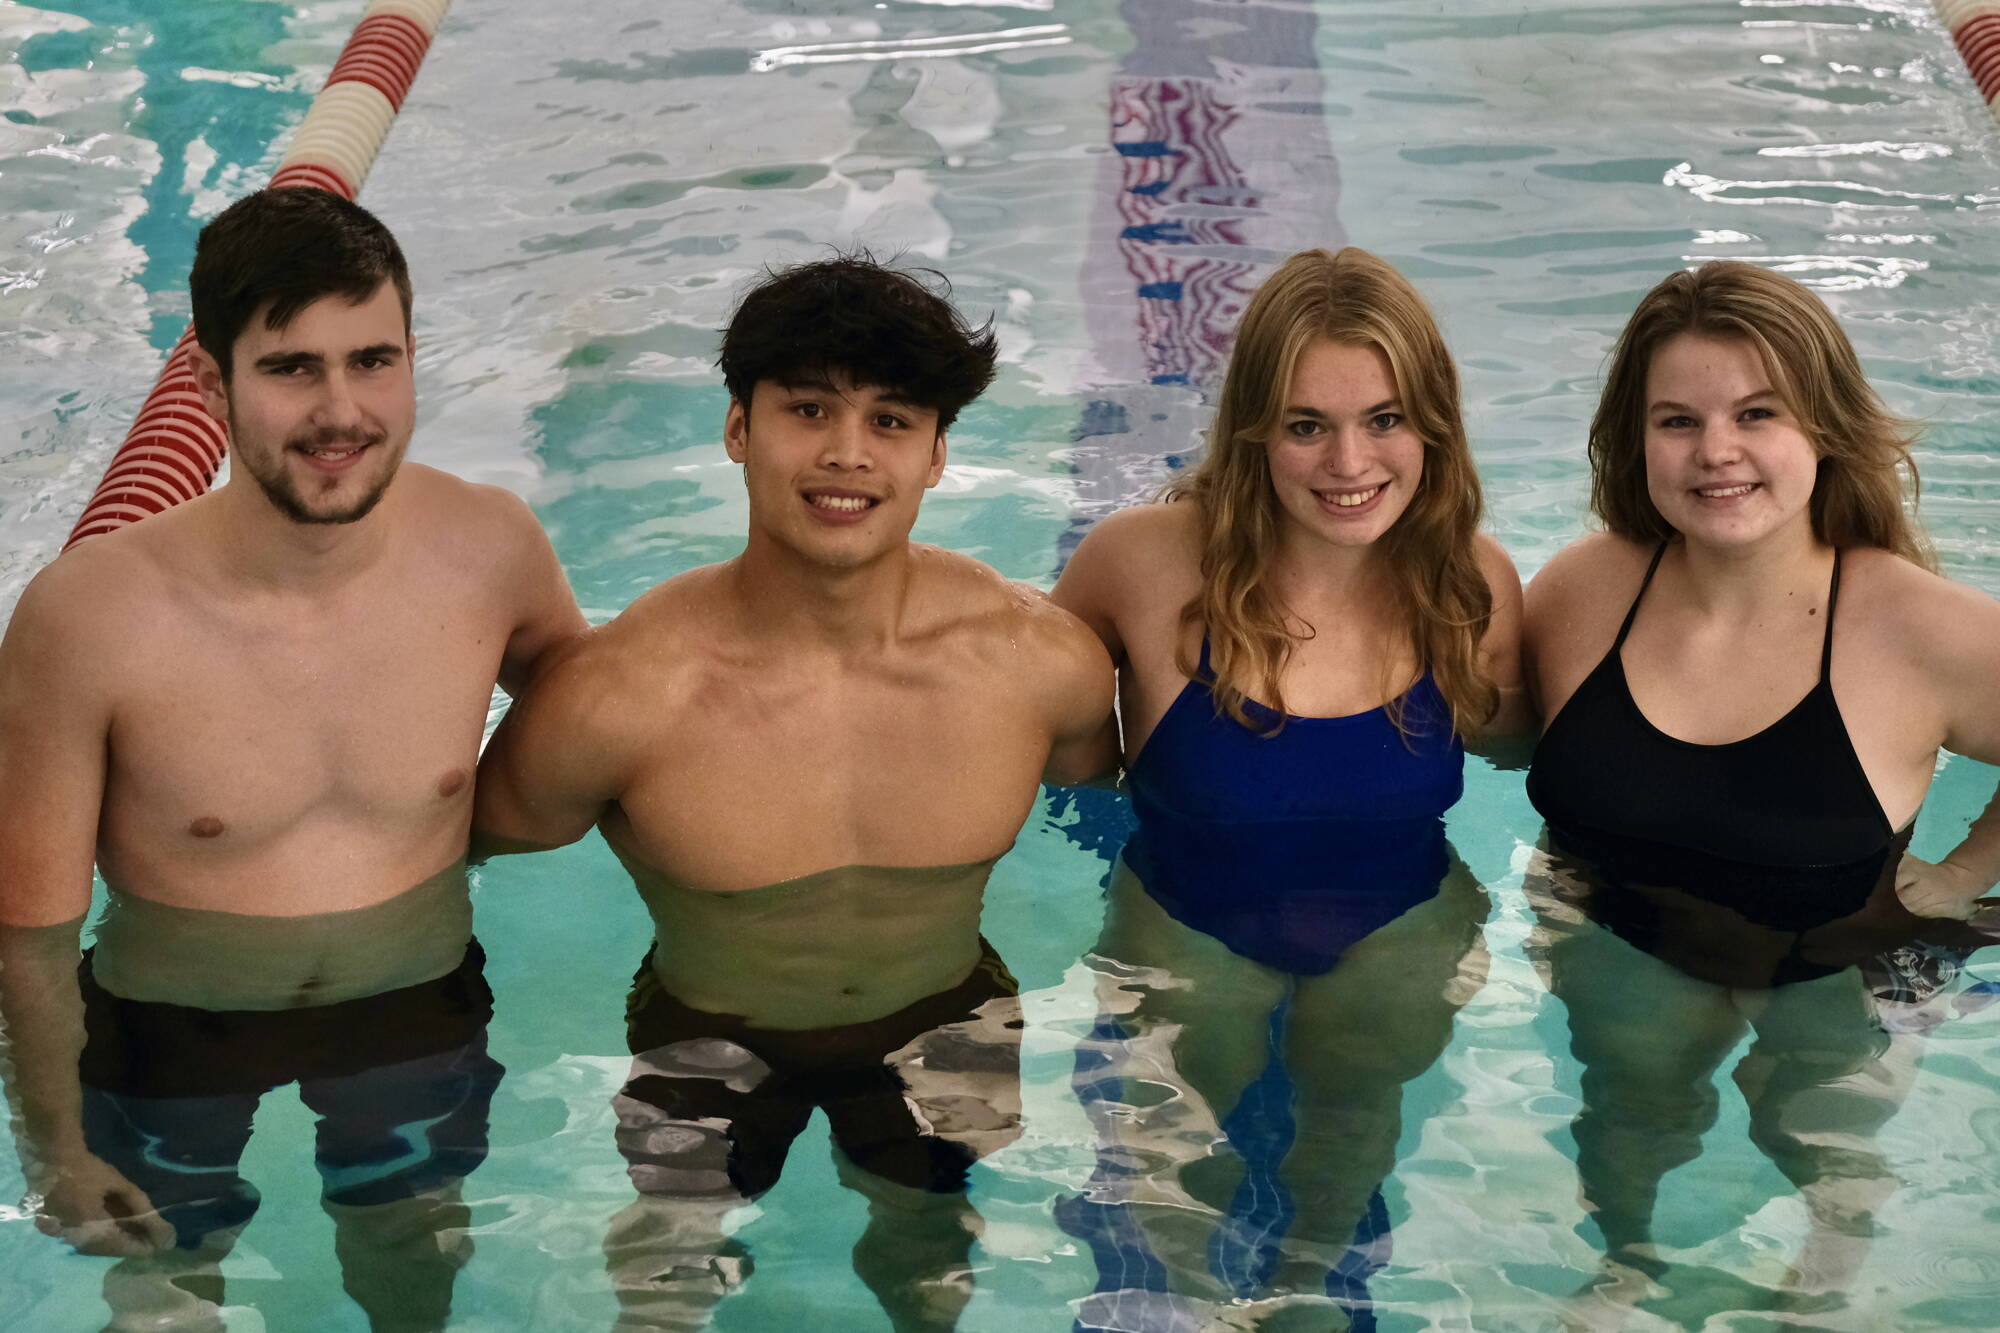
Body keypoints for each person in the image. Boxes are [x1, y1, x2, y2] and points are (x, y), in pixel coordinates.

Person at [471, 254, 1118, 1331]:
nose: (845, 455)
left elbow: (1111, 812)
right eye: (807, 409)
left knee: (931, 1267)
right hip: (706, 1035)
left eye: (891, 420)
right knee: (664, 1281)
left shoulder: (1035, 664)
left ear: (937, 453)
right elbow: (452, 865)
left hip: (947, 1014)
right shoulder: (622, 696)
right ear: (738, 429)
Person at [0, 187, 585, 1332]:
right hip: (175, 1025)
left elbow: (602, 709)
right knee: (163, 1290)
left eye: (374, 359)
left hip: (412, 1003)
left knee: (415, 1273)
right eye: (291, 368)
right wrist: (54, 1146)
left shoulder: (489, 550)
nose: (341, 410)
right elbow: (28, 935)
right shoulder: (90, 620)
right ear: (213, 386)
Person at [1050, 246, 1529, 1327]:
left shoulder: (1471, 584)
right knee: (1170, 1193)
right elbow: (1055, 754)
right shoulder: (1141, 564)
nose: (1346, 460)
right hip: (1186, 915)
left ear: (1433, 428)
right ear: (1253, 431)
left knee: (1346, 1149)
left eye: (1384, 419)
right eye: (1305, 424)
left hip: (1398, 920)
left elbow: (1530, 753)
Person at [1521, 260, 2000, 1324]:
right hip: (1628, 939)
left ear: (1821, 425)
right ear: (1631, 439)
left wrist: (1962, 875)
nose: (1715, 451)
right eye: (1675, 420)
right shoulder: (1581, 589)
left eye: (1755, 413)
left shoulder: (1911, 626)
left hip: (1827, 959)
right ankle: (1628, 1269)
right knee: (1624, 1120)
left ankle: (1823, 1284)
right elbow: (1498, 736)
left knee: (1815, 1144)